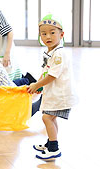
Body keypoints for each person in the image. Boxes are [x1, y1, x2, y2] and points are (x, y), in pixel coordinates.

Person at [27, 14, 77, 160]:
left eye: (52, 32)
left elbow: (52, 76)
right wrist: (38, 86)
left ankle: (54, 148)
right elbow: (45, 72)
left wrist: (37, 84)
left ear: (61, 34)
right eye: (44, 33)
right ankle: (51, 143)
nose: (48, 36)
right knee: (51, 118)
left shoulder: (59, 53)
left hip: (61, 95)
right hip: (54, 93)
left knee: (47, 118)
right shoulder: (50, 52)